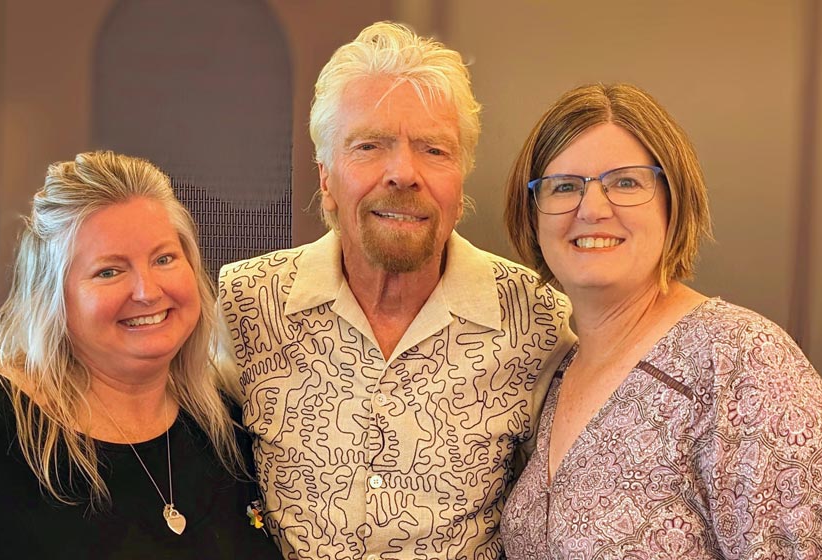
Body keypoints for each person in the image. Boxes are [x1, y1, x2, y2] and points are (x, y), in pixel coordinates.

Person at [217, 22, 575, 559]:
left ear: (460, 181)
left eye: (434, 150)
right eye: (369, 146)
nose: (403, 173)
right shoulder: (246, 304)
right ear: (325, 178)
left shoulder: (537, 319)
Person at [0, 151, 281, 559]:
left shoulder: (227, 425)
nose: (147, 291)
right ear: (52, 298)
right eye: (108, 271)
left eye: (164, 259)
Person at [500, 83, 822, 559]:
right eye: (564, 186)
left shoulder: (741, 361)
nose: (593, 209)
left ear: (673, 200)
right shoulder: (556, 374)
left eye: (626, 182)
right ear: (532, 215)